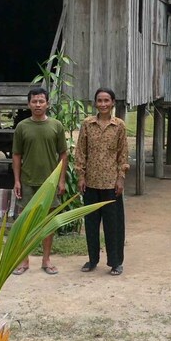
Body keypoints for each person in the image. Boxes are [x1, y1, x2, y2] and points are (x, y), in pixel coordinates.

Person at [11, 86, 68, 275]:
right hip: (27, 181)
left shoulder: (56, 126)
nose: (37, 104)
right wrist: (17, 180)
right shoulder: (22, 127)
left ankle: (46, 260)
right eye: (34, 101)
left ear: (47, 104)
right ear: (29, 104)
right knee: (24, 222)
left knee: (48, 223)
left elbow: (63, 154)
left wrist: (61, 181)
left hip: (50, 183)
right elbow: (17, 155)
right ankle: (24, 261)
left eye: (41, 101)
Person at [75, 87, 129, 276]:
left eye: (107, 100)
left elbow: (123, 154)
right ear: (95, 103)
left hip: (111, 184)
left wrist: (121, 179)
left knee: (113, 225)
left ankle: (115, 262)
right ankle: (92, 259)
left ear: (113, 102)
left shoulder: (119, 125)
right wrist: (81, 176)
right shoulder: (87, 124)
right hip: (90, 183)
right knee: (91, 223)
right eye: (100, 101)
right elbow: (81, 152)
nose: (103, 104)